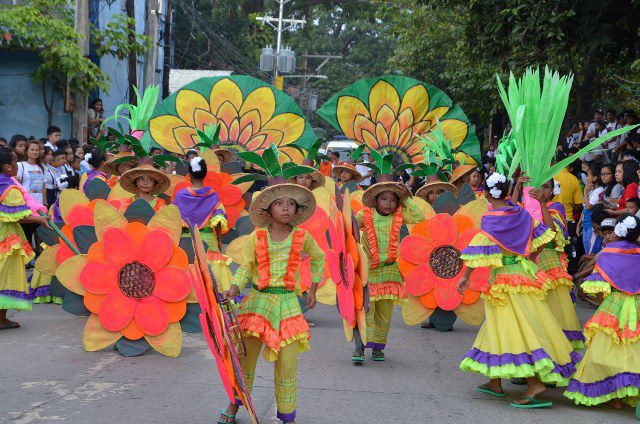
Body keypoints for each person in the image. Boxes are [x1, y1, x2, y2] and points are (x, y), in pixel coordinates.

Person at [458, 172, 579, 408]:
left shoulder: (492, 220)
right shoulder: (520, 214)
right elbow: (546, 236)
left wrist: (465, 277)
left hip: (505, 281)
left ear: (486, 195)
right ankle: (495, 381)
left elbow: (478, 252)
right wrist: (529, 256)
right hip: (524, 276)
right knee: (502, 326)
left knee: (518, 328)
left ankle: (535, 383)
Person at [219, 180, 324, 424]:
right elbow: (246, 268)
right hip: (258, 304)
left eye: (291, 204)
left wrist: (313, 288)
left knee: (287, 364)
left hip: (288, 305)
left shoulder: (302, 236)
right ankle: (234, 406)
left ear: (297, 211)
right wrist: (234, 287)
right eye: (279, 203)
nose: (286, 208)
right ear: (268, 210)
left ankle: (288, 416)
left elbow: (319, 258)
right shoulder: (257, 238)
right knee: (244, 359)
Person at [564, 215, 640, 417]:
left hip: (614, 305)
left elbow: (598, 291)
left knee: (607, 349)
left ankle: (614, 398)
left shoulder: (607, 255)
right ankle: (629, 392)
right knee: (632, 349)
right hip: (638, 306)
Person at [351, 175, 422, 362]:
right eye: (384, 199)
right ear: (375, 200)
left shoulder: (399, 216)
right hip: (369, 272)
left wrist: (407, 197)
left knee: (385, 315)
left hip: (390, 272)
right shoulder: (364, 215)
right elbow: (348, 232)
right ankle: (360, 347)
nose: (388, 203)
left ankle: (378, 348)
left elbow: (419, 217)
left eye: (393, 199)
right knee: (366, 311)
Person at [529, 181, 584, 350]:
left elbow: (551, 234)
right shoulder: (526, 206)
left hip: (549, 262)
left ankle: (556, 352)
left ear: (553, 190)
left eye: (546, 187)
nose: (542, 190)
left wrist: (542, 205)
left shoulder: (556, 207)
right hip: (529, 263)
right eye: (540, 186)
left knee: (553, 308)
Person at [0, 148, 50, 329]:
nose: (17, 165)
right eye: (14, 162)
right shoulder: (10, 188)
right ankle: (1, 319)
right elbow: (18, 216)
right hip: (7, 238)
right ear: (7, 167)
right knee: (7, 276)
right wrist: (39, 219)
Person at [173, 157, 231, 291]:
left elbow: (173, 219)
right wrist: (219, 240)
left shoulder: (181, 196)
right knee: (212, 278)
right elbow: (218, 220)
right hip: (209, 241)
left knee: (190, 270)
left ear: (189, 175)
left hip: (188, 240)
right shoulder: (213, 195)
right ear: (205, 175)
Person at [580, 162, 604, 253]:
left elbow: (589, 206)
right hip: (585, 223)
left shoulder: (599, 191)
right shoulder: (592, 191)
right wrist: (579, 224)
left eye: (588, 175)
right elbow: (584, 208)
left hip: (591, 223)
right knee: (587, 249)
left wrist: (585, 192)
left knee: (590, 250)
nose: (586, 178)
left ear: (594, 178)